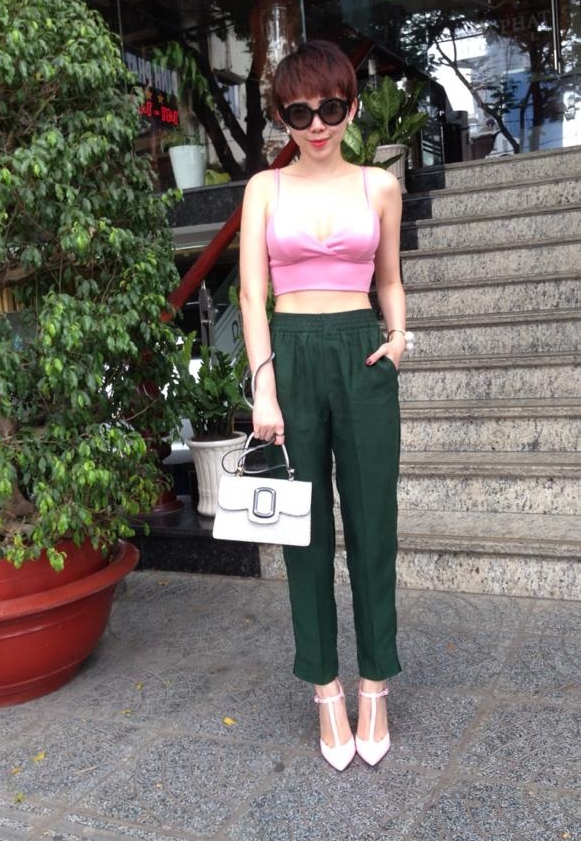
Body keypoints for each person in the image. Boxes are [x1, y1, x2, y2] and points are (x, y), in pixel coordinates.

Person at [239, 39, 408, 772]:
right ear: (281, 117)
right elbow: (252, 296)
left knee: (373, 525)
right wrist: (264, 385)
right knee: (302, 533)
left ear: (351, 107)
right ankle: (324, 688)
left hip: (362, 354)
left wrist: (398, 339)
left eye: (330, 108)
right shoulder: (263, 189)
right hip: (292, 356)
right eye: (299, 112)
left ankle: (374, 685)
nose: (316, 125)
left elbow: (389, 279)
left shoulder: (379, 187)